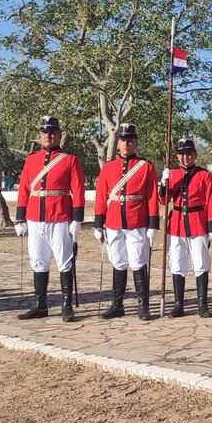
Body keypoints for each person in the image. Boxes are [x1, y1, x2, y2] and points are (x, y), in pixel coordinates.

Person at [14, 116, 85, 322]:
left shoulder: (70, 159)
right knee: (38, 260)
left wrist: (77, 219)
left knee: (64, 260)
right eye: (45, 132)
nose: (49, 136)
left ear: (59, 135)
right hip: (35, 216)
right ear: (40, 136)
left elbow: (78, 190)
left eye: (53, 132)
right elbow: (25, 189)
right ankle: (40, 305)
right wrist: (20, 218)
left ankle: (66, 305)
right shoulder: (31, 160)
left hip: (60, 216)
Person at [94, 123, 159, 321]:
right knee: (119, 262)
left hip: (136, 221)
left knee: (138, 262)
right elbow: (101, 196)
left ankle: (143, 305)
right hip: (114, 221)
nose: (126, 144)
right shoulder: (108, 167)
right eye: (123, 140)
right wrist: (99, 222)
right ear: (119, 142)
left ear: (136, 143)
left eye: (130, 140)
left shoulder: (146, 166)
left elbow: (152, 196)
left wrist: (153, 224)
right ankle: (117, 304)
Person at [159, 139, 212, 318]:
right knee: (177, 263)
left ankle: (202, 304)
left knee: (201, 263)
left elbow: (211, 202)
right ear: (177, 156)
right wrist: (163, 183)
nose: (186, 157)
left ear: (195, 155)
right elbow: (163, 201)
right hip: (177, 224)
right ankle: (178, 304)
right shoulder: (173, 174)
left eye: (189, 153)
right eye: (182, 154)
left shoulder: (204, 175)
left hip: (198, 222)